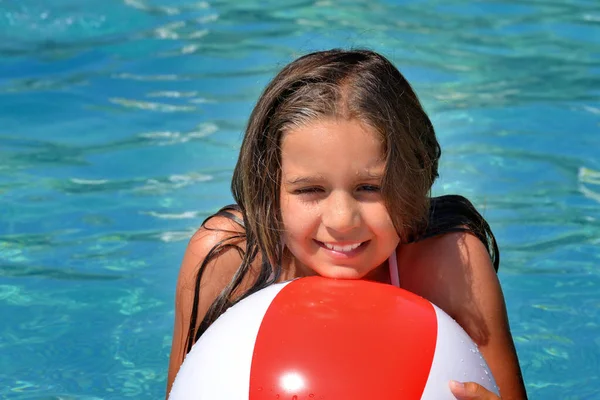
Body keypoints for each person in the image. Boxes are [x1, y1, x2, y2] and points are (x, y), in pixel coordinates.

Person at [166, 49, 528, 400]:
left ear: (413, 182)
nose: (342, 220)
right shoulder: (228, 259)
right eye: (310, 189)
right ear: (268, 188)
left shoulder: (450, 263)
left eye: (370, 188)